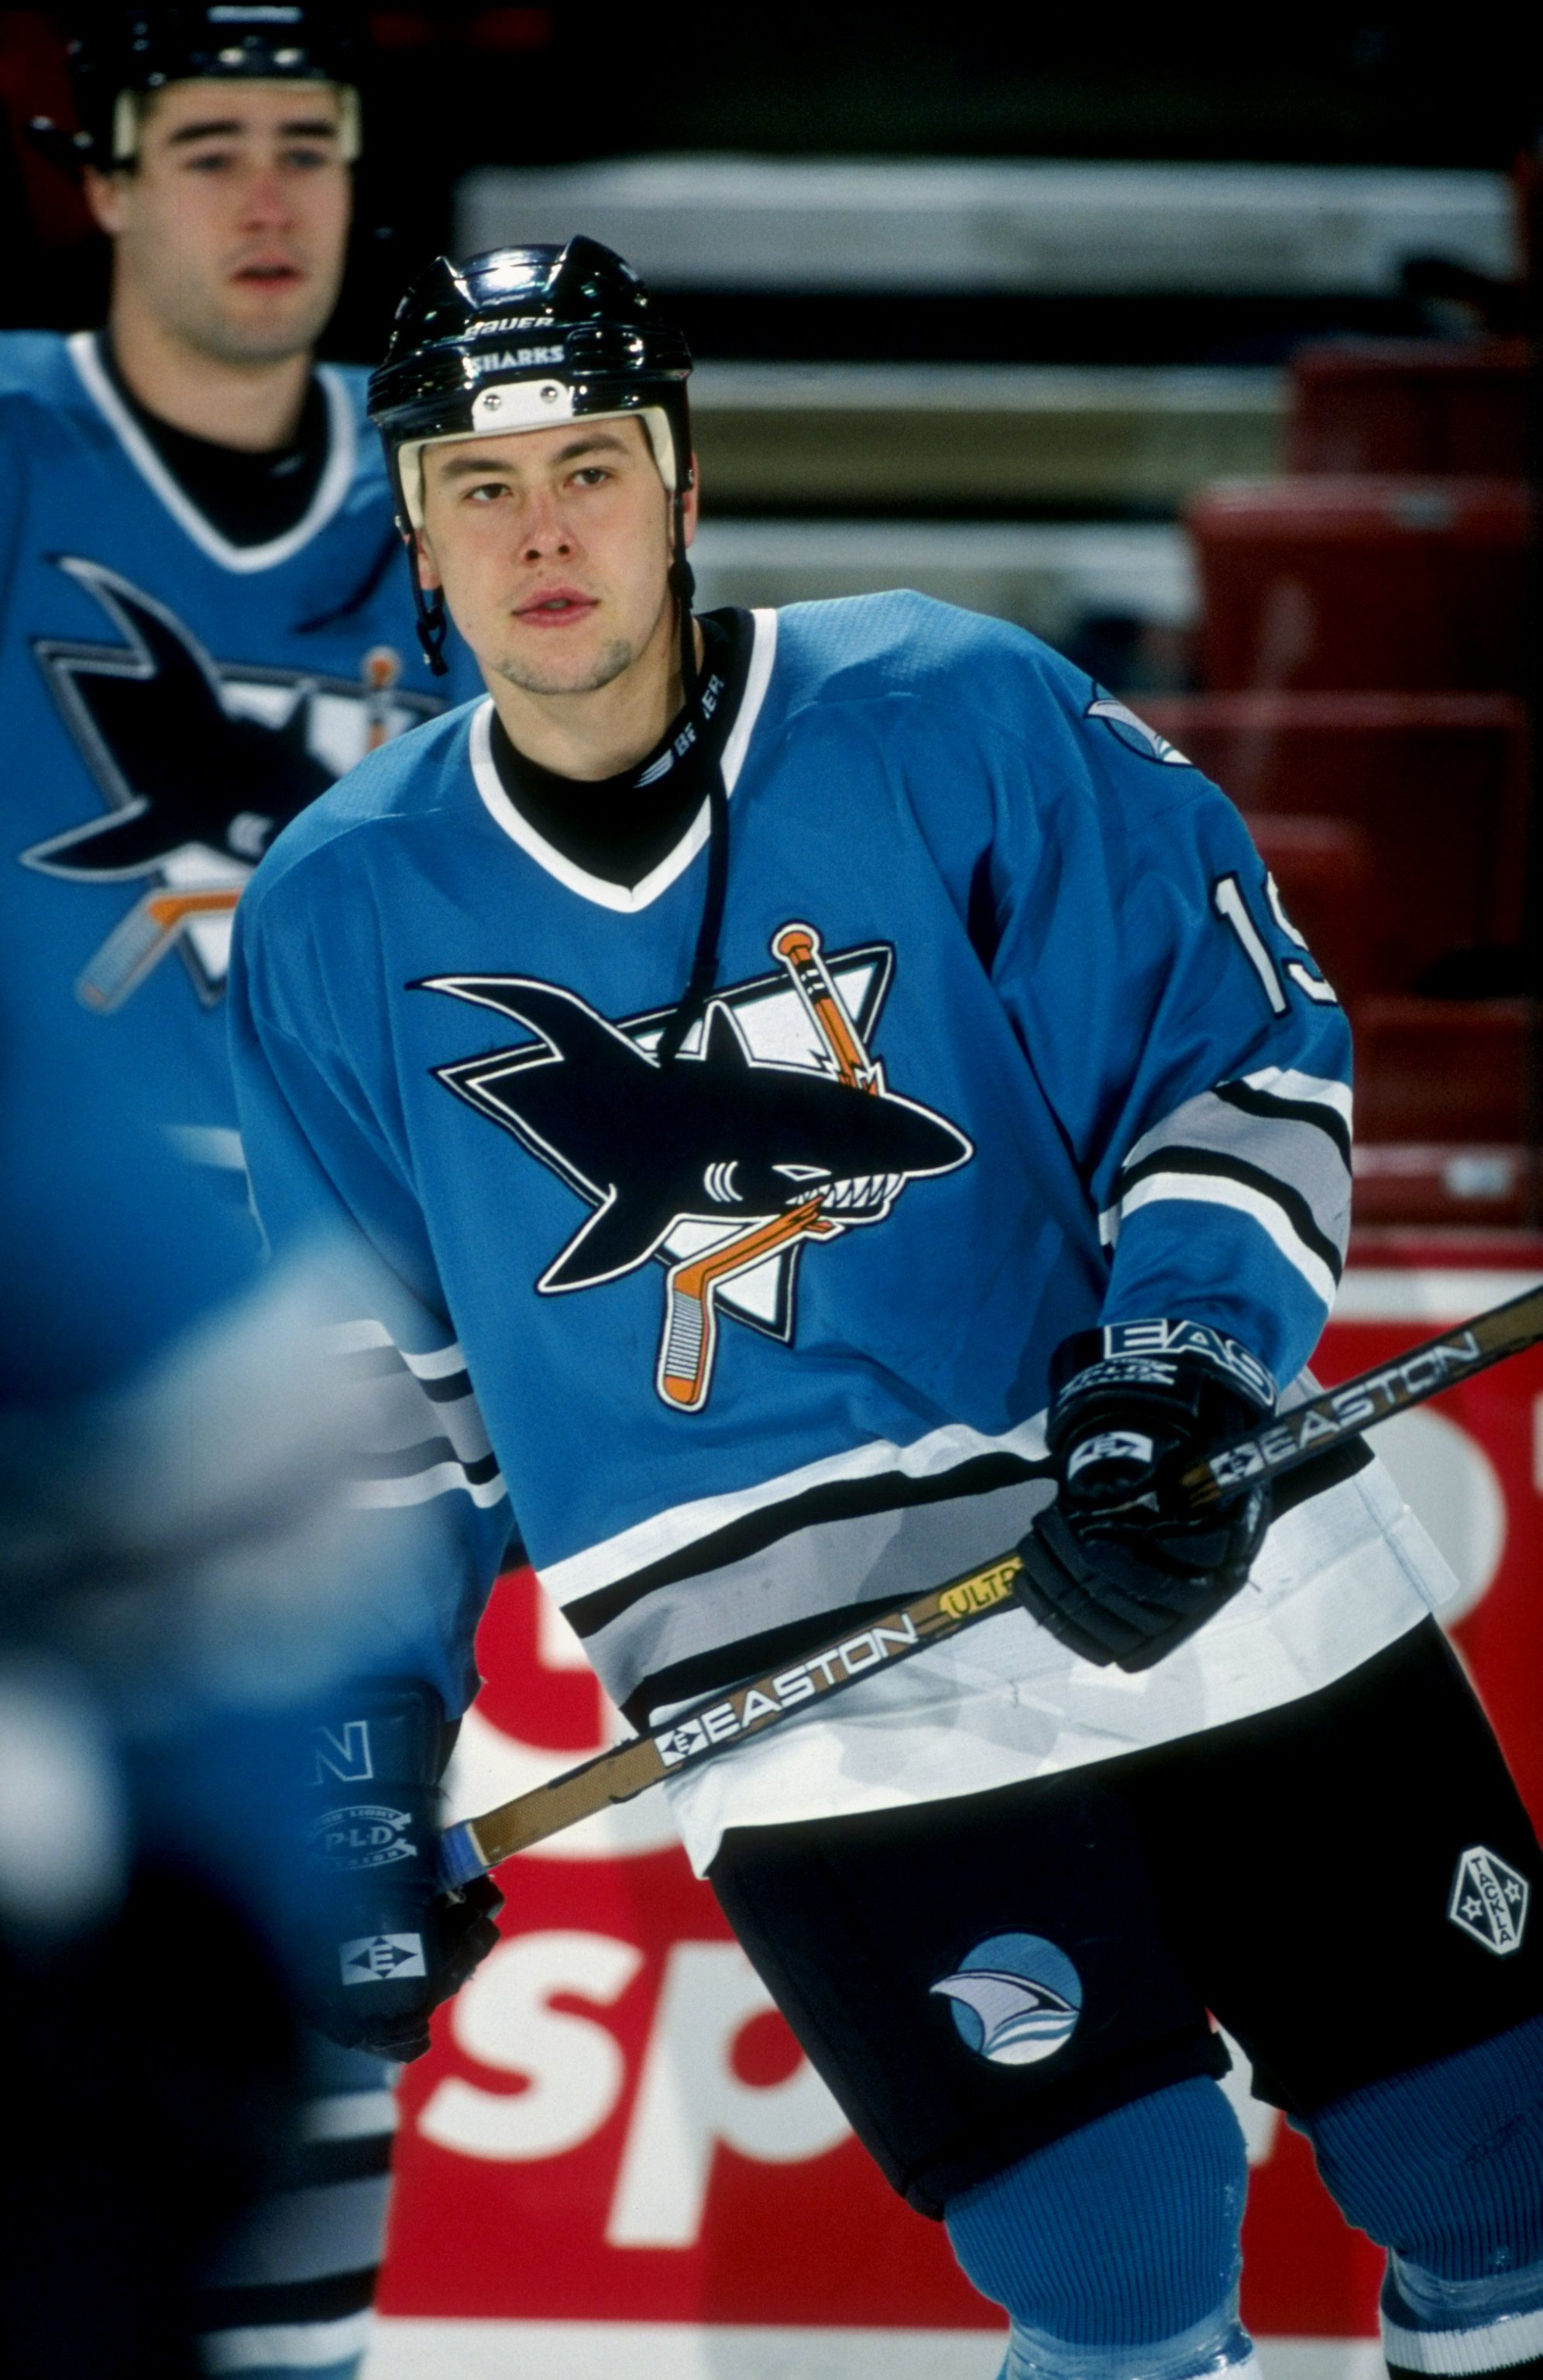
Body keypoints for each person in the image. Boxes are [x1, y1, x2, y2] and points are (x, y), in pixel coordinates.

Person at [229, 238, 1543, 2380]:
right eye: (478, 481)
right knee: (1114, 2250)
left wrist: (1184, 1382)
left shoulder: (949, 702)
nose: (539, 526)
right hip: (806, 1679)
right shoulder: (330, 918)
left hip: (1185, 1531)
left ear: (677, 480)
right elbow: (370, 1412)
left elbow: (1234, 1052)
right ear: (414, 527)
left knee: (1502, 2160)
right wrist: (359, 1762)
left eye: (587, 460)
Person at [1, 9, 482, 2372]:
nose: (266, 198)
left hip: (316, 1470)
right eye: (208, 148)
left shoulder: (476, 511)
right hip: (38, 1407)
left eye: (312, 146)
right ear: (101, 178)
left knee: (251, 2226)